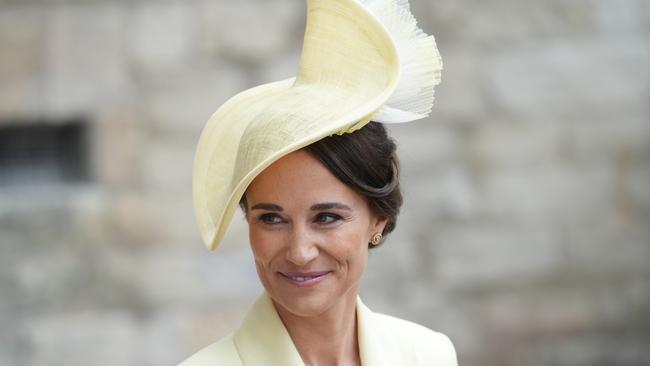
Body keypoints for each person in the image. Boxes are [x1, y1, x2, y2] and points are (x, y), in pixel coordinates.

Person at [181, 0, 456, 364]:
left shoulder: (428, 355)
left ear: (379, 218)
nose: (299, 252)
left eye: (326, 217)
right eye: (271, 218)